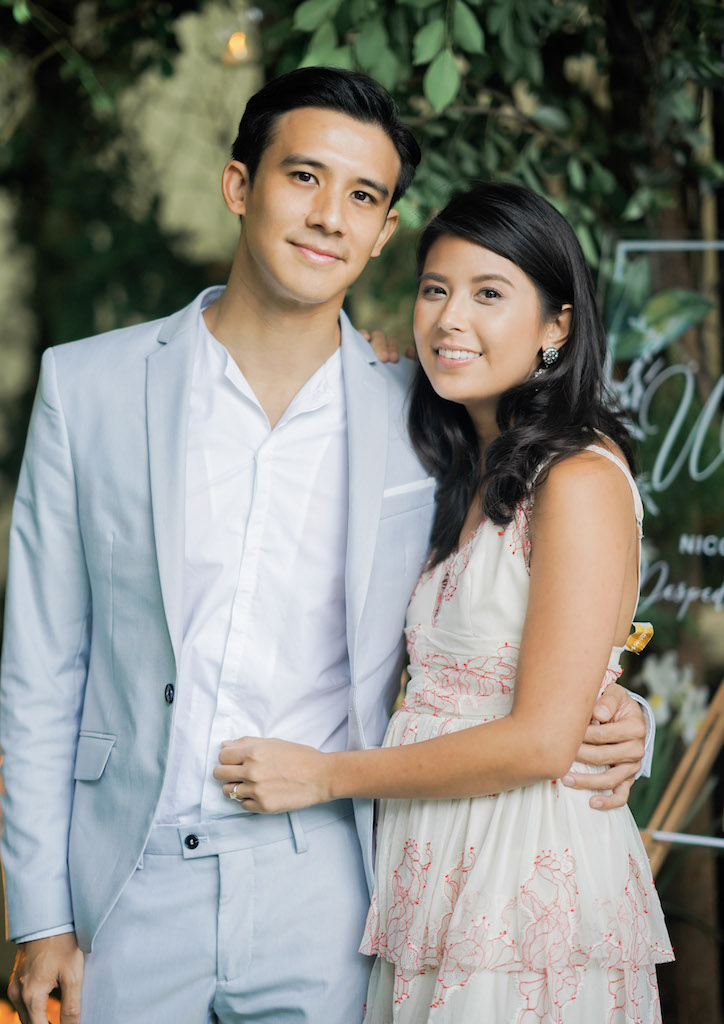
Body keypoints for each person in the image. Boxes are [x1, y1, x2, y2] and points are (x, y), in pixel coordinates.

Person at [0, 68, 653, 1024]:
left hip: (334, 888)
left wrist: (613, 717)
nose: (327, 217)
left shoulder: (419, 418)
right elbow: (40, 668)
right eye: (303, 177)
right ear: (240, 185)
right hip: (131, 883)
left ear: (384, 229)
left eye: (362, 196)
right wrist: (39, 912)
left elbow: (533, 613)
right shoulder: (87, 388)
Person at [213, 182, 674, 1022]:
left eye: (489, 294)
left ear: (557, 325)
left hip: (522, 879)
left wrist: (324, 777)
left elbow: (541, 740)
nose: (450, 319)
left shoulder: (576, 478)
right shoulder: (467, 464)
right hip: (436, 866)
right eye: (436, 289)